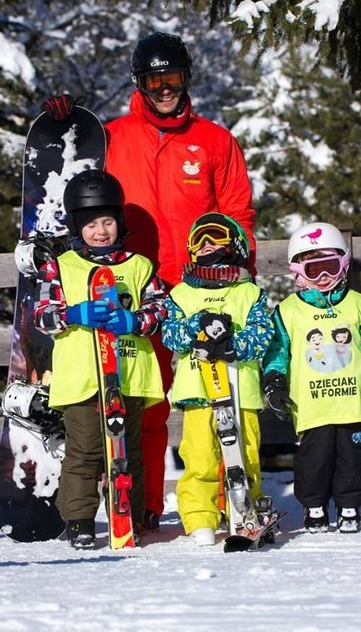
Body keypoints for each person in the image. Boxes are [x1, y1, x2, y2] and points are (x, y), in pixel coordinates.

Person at [40, 31, 255, 531]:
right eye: (155, 80)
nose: (165, 89)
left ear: (186, 80)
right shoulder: (114, 137)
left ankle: (229, 497)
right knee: (145, 405)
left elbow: (238, 213)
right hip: (132, 289)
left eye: (173, 78)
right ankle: (145, 504)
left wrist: (238, 278)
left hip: (200, 291)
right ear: (140, 82)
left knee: (219, 398)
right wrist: (64, 126)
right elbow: (76, 187)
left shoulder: (214, 141)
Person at [33, 169, 166, 549]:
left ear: (118, 222)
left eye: (107, 221)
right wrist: (73, 314)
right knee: (87, 450)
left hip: (130, 375)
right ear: (77, 226)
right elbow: (42, 314)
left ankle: (130, 516)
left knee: (129, 453)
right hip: (82, 378)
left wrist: (134, 319)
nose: (101, 231)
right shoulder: (61, 266)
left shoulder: (139, 267)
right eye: (91, 224)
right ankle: (79, 519)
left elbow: (161, 310)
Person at [261, 221, 361, 534]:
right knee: (314, 460)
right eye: (314, 270)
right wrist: (274, 381)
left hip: (354, 403)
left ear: (344, 265)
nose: (323, 277)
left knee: (353, 458)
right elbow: (277, 352)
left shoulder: (359, 305)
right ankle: (314, 508)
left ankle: (350, 506)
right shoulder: (288, 311)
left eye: (330, 267)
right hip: (313, 407)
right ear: (298, 272)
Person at [161, 213, 274, 546]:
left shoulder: (248, 293)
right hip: (198, 390)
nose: (207, 245)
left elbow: (262, 335)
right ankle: (200, 517)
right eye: (199, 240)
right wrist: (197, 327)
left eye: (215, 238)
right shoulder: (181, 294)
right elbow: (171, 334)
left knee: (245, 454)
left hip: (241, 391)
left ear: (234, 245)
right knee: (199, 456)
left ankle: (244, 511)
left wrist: (233, 344)